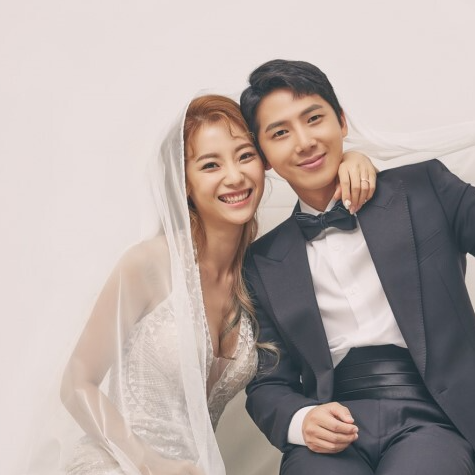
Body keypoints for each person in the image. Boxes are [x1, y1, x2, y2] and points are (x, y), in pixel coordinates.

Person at [240, 59, 475, 475]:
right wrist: (301, 420)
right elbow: (267, 382)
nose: (304, 142)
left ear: (342, 121)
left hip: (436, 416)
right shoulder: (260, 262)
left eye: (313, 118)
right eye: (280, 133)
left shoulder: (425, 189)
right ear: (264, 156)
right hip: (332, 426)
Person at [56, 93, 376, 475]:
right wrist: (148, 464)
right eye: (210, 165)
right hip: (118, 464)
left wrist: (351, 161)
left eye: (245, 156)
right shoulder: (149, 264)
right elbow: (77, 383)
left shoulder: (259, 279)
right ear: (185, 183)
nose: (235, 176)